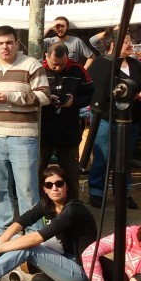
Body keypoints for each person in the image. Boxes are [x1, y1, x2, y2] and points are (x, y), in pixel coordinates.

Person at [0, 25, 51, 240]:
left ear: (17, 43)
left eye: (9, 42)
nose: (5, 47)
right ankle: (4, 231)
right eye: (0, 43)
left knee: (27, 190)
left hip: (23, 136)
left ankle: (33, 232)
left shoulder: (31, 64)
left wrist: (11, 97)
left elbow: (44, 96)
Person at [86, 31, 141, 209]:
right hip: (107, 118)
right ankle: (97, 191)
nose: (130, 45)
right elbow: (95, 92)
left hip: (130, 120)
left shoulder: (135, 64)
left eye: (130, 41)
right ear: (111, 44)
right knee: (103, 156)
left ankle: (124, 193)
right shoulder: (101, 64)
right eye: (125, 42)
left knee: (124, 158)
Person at [39, 44, 94, 186]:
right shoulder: (38, 68)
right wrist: (46, 98)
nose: (58, 68)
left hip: (69, 129)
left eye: (62, 64)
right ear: (46, 56)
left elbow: (91, 94)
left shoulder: (78, 69)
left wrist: (74, 102)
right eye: (54, 64)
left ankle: (71, 204)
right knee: (37, 170)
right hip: (43, 129)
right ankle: (40, 204)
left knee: (70, 172)